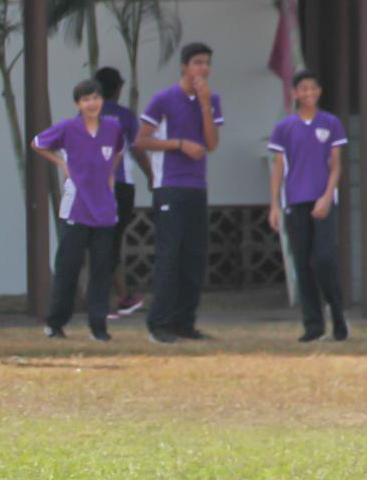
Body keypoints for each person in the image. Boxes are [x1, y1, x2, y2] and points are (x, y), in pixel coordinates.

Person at [133, 42, 224, 344]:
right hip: (169, 185)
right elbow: (141, 141)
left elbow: (212, 143)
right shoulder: (164, 99)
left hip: (197, 187)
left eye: (207, 63)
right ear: (184, 66)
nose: (203, 69)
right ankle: (157, 323)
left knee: (193, 256)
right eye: (197, 62)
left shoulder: (211, 99)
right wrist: (179, 144)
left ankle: (184, 322)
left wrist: (204, 104)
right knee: (169, 255)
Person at [32, 79, 126, 341]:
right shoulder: (68, 128)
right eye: (86, 99)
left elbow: (118, 150)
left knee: (102, 269)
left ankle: (99, 326)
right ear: (78, 104)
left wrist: (111, 173)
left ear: (101, 101)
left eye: (95, 98)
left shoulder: (113, 128)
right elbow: (37, 143)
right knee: (68, 268)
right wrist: (62, 164)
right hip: (76, 209)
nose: (91, 103)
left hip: (105, 210)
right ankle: (55, 323)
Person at [268, 70, 349, 342]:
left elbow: (335, 164)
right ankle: (313, 325)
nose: (308, 93)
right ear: (294, 93)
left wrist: (327, 196)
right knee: (302, 264)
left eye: (313, 88)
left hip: (323, 201)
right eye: (303, 89)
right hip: (295, 202)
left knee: (323, 258)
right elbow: (279, 167)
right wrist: (274, 205)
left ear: (319, 91)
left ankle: (338, 316)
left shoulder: (331, 123)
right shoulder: (284, 128)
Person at [94, 67, 151, 317]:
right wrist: (152, 176)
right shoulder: (125, 116)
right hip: (121, 185)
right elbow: (138, 149)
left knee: (100, 241)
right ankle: (117, 299)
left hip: (93, 187)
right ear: (118, 89)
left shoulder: (87, 113)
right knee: (112, 242)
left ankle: (117, 297)